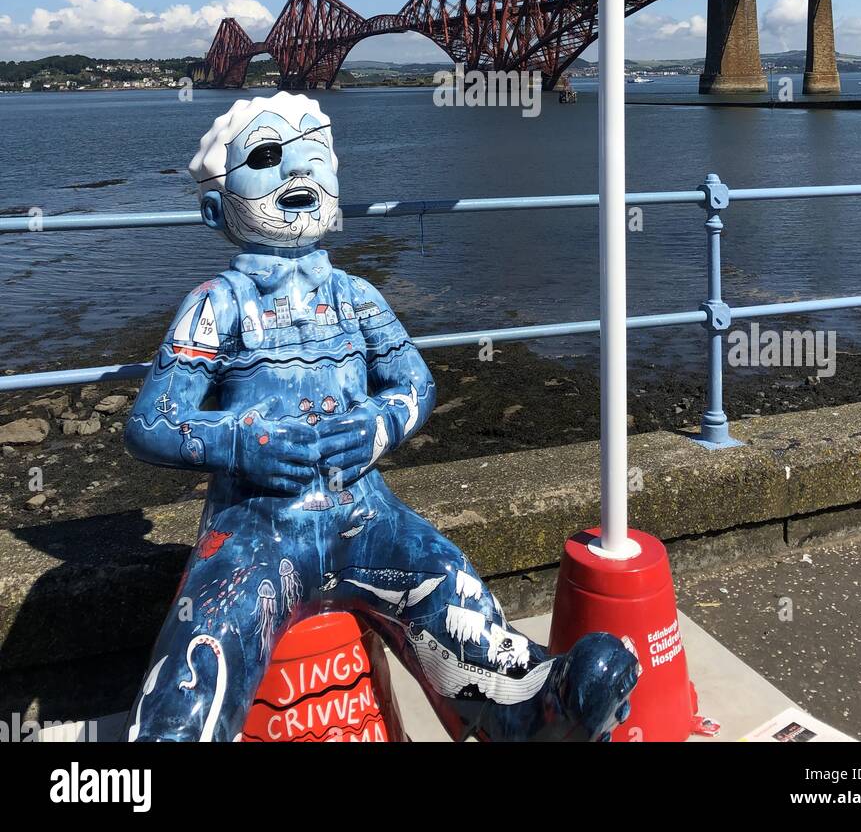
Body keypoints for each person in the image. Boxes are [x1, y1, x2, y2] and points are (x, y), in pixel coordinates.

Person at [125, 93, 638, 741]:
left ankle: (537, 703)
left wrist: (377, 424)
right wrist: (241, 442)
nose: (296, 174)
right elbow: (153, 421)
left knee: (445, 581)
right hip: (256, 529)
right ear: (213, 206)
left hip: (366, 517)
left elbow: (414, 383)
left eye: (315, 157)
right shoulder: (215, 306)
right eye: (266, 159)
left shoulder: (354, 297)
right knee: (207, 645)